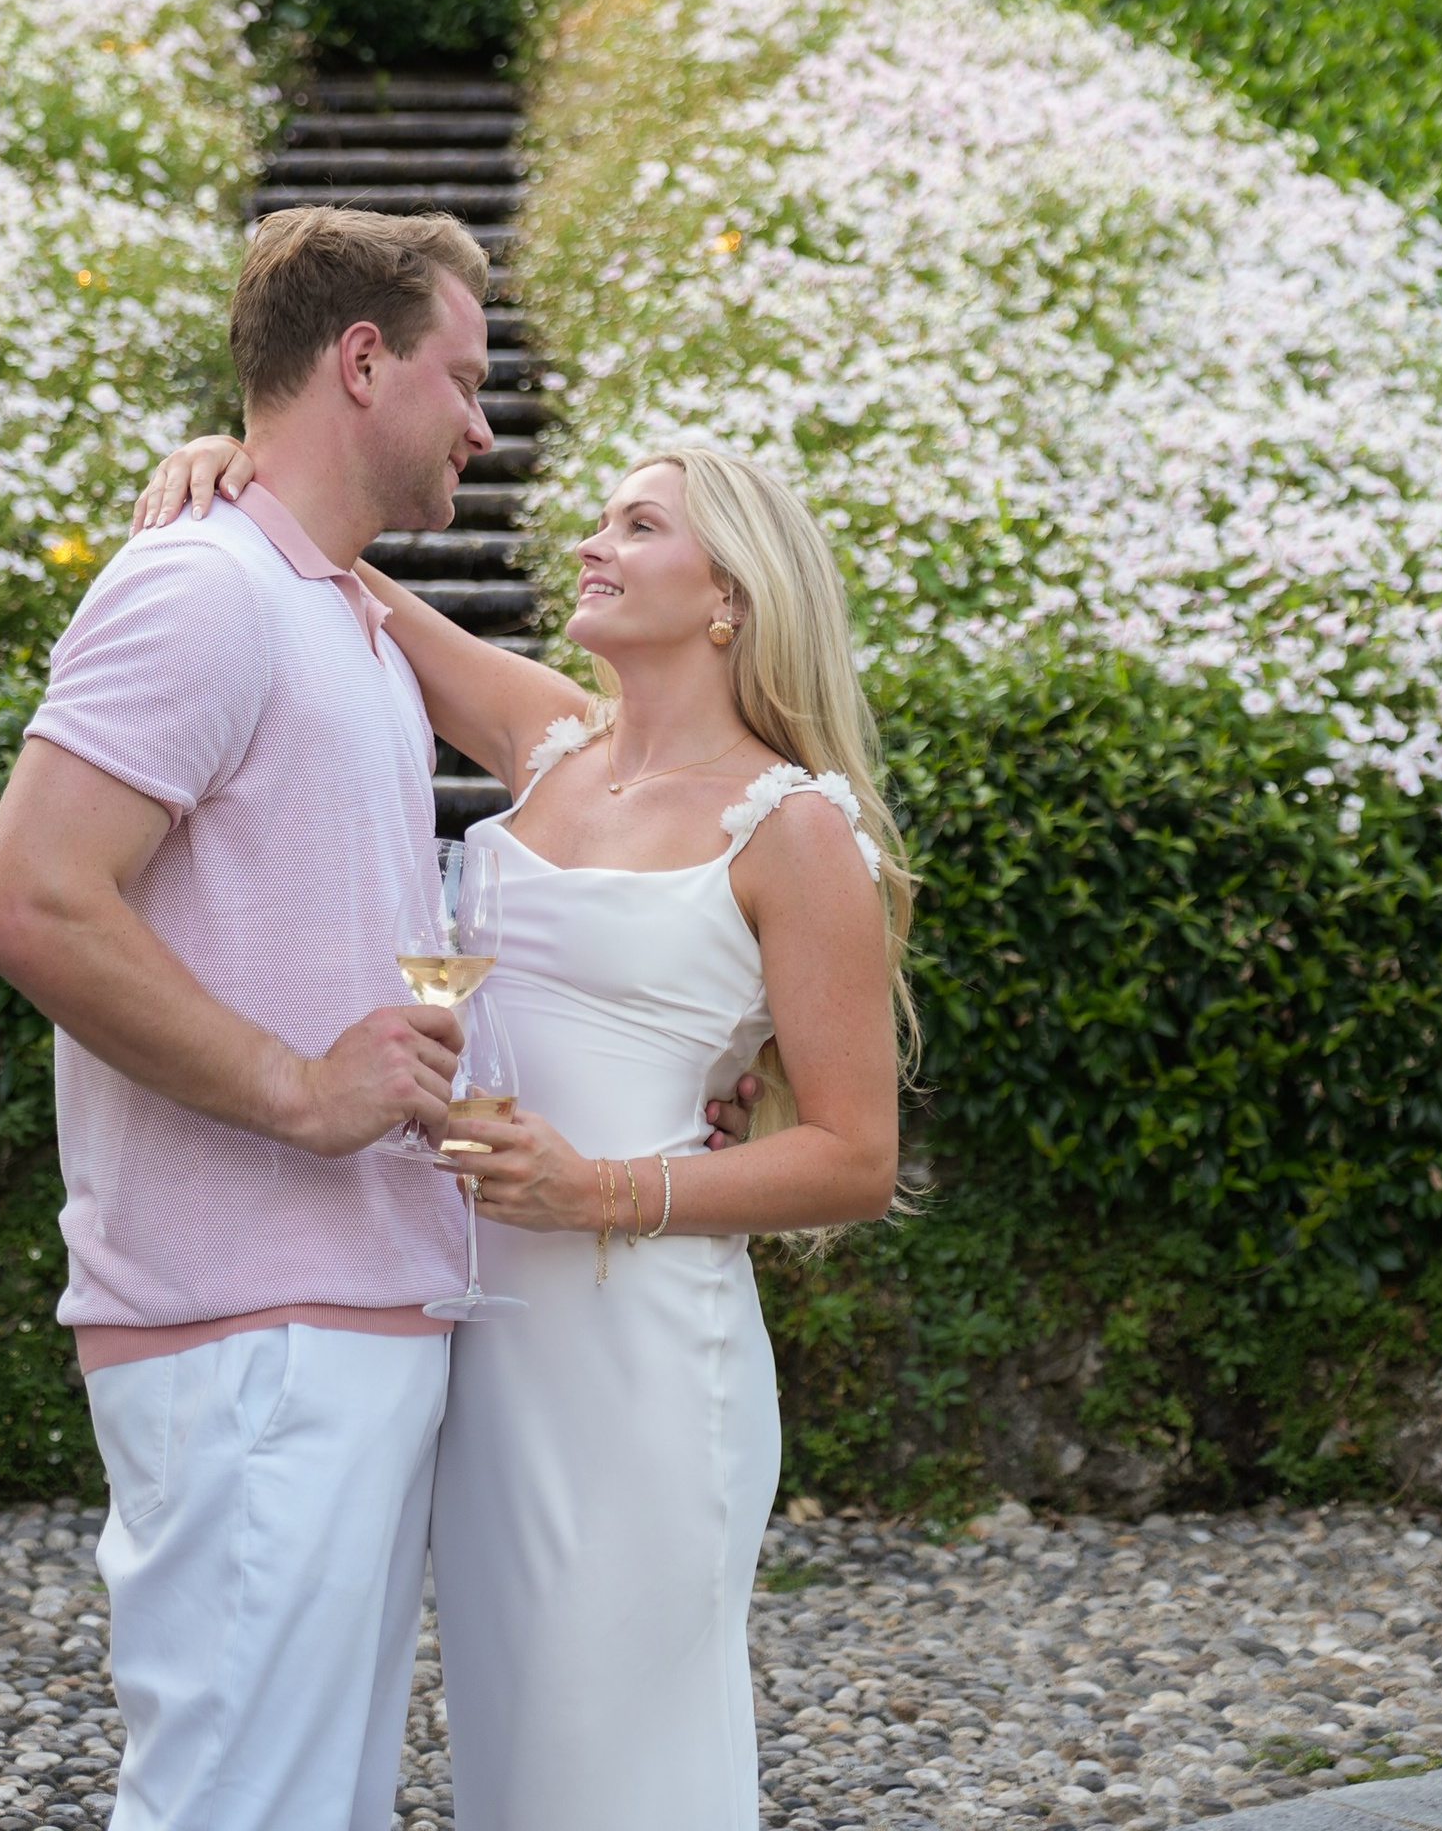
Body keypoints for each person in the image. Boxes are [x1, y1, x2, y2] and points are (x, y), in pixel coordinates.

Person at [131, 425, 913, 1831]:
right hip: (481, 1337)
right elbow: (343, 577)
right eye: (601, 520)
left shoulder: (794, 828)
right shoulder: (553, 742)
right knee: (512, 1751)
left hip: (642, 1354)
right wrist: (235, 461)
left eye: (639, 527)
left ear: (730, 596)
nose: (593, 546)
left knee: (618, 1758)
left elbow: (858, 1159)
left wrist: (599, 1187)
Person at [0, 205, 493, 1831]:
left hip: (341, 1315)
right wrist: (294, 1088)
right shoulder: (199, 588)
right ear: (363, 362)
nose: (484, 427)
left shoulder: (333, 612)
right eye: (467, 380)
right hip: (253, 1330)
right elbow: (32, 900)